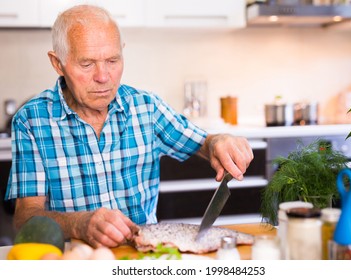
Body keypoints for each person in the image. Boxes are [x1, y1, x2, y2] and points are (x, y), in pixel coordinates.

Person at [5, 5, 254, 248]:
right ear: (58, 63)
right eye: (87, 64)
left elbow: (204, 143)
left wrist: (219, 142)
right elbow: (25, 219)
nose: (103, 77)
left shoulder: (146, 107)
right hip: (75, 260)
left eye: (112, 60)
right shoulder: (31, 120)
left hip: (145, 256)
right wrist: (78, 224)